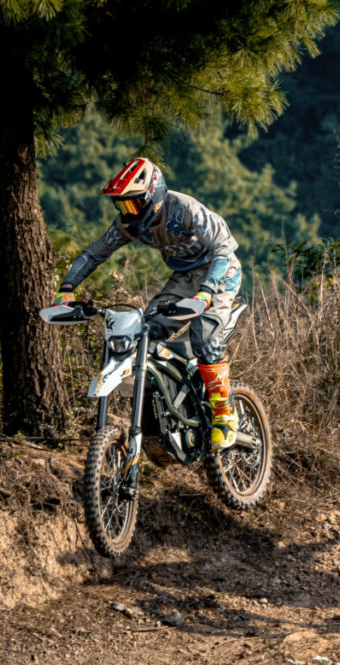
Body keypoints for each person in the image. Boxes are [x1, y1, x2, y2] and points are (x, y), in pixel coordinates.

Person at [54, 158, 242, 449]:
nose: (128, 212)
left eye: (133, 203)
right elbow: (95, 253)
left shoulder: (185, 209)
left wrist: (207, 290)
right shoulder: (129, 225)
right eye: (122, 205)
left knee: (205, 338)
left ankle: (224, 413)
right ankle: (171, 405)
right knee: (145, 332)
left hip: (220, 273)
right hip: (185, 277)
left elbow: (223, 247)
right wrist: (67, 288)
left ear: (153, 195)